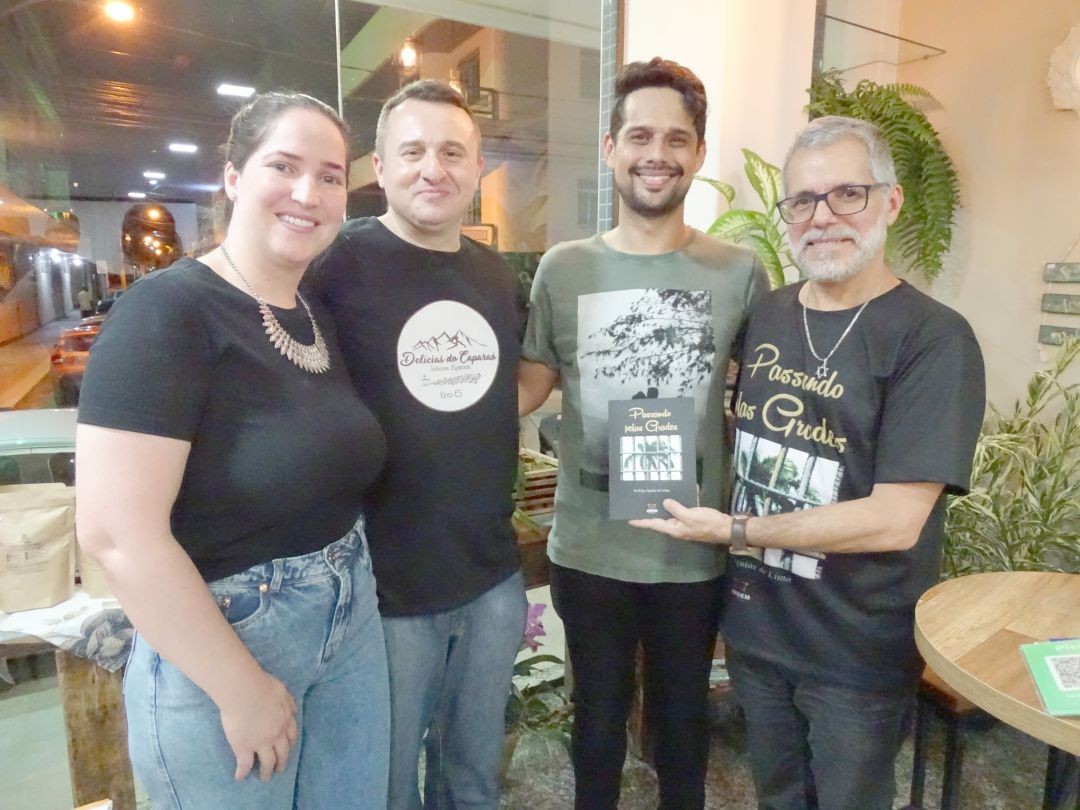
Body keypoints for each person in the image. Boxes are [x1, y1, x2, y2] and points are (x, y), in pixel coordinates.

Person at [631, 115, 986, 810]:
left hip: (854, 652)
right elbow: (697, 403)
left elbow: (894, 521)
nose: (822, 217)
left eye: (847, 194)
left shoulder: (934, 340)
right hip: (757, 632)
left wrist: (735, 531)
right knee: (779, 795)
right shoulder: (767, 313)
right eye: (802, 200)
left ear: (890, 201)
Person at [75, 92, 390, 809]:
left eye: (330, 176)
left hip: (349, 616)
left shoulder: (314, 312)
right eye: (284, 166)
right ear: (234, 176)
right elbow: (116, 534)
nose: (308, 193)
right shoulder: (167, 311)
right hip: (225, 641)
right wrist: (239, 688)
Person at [518, 57, 767, 809]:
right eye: (639, 136)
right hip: (589, 549)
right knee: (596, 722)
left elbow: (764, 399)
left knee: (683, 725)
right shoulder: (564, 268)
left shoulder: (738, 273)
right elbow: (529, 388)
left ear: (698, 151)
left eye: (676, 138)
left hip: (692, 547)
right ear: (611, 148)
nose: (656, 153)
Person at [308, 80, 527, 810]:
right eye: (413, 152)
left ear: (477, 167)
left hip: (492, 578)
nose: (433, 168)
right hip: (383, 590)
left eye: (452, 152)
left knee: (474, 780)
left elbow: (503, 394)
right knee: (388, 785)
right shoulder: (332, 267)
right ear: (379, 165)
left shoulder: (496, 277)